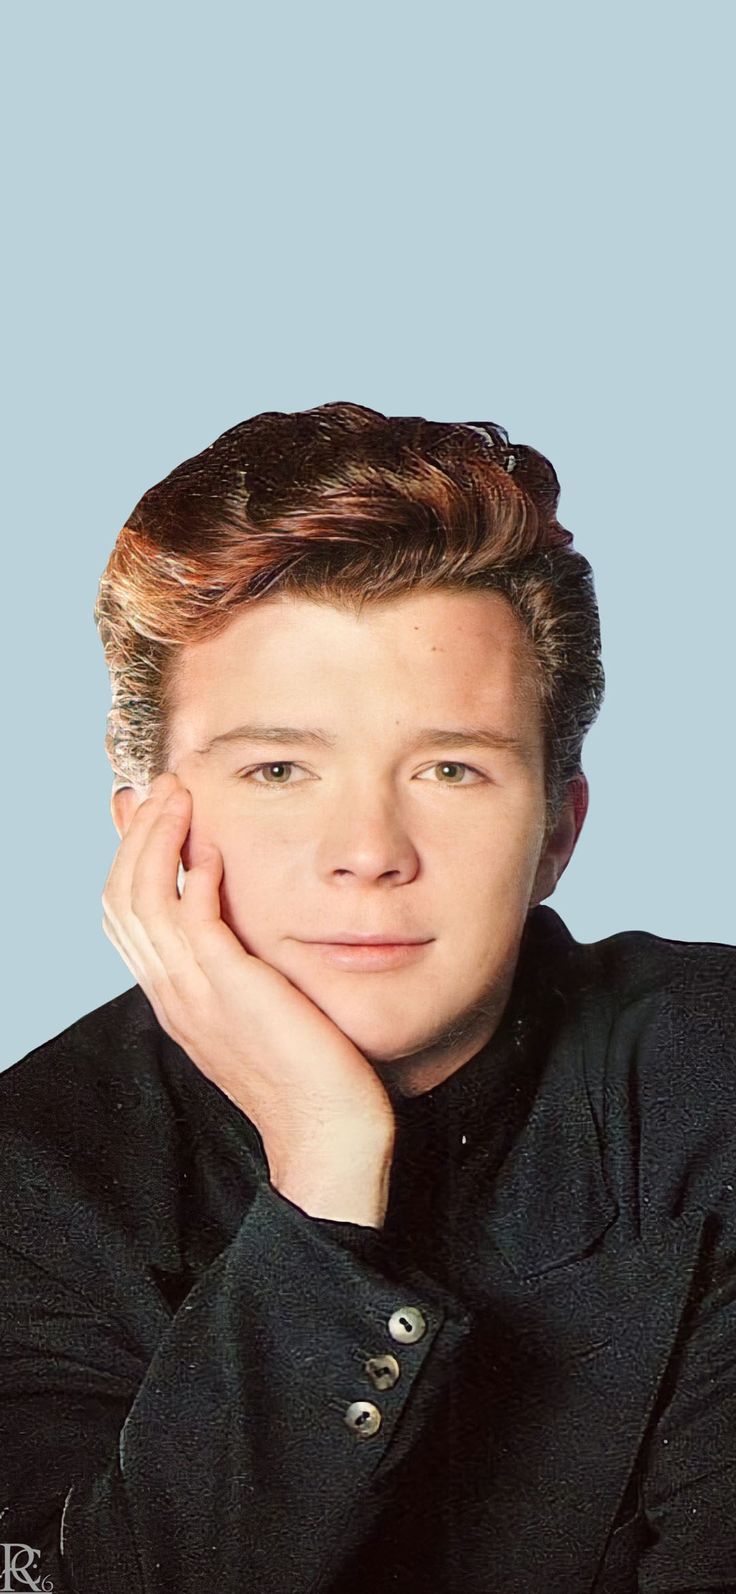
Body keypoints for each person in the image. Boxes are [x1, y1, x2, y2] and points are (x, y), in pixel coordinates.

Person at [1, 402, 734, 1594]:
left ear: (558, 830)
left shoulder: (713, 1075)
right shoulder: (30, 1181)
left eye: (450, 767)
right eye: (278, 768)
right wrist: (325, 1160)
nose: (368, 848)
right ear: (150, 835)